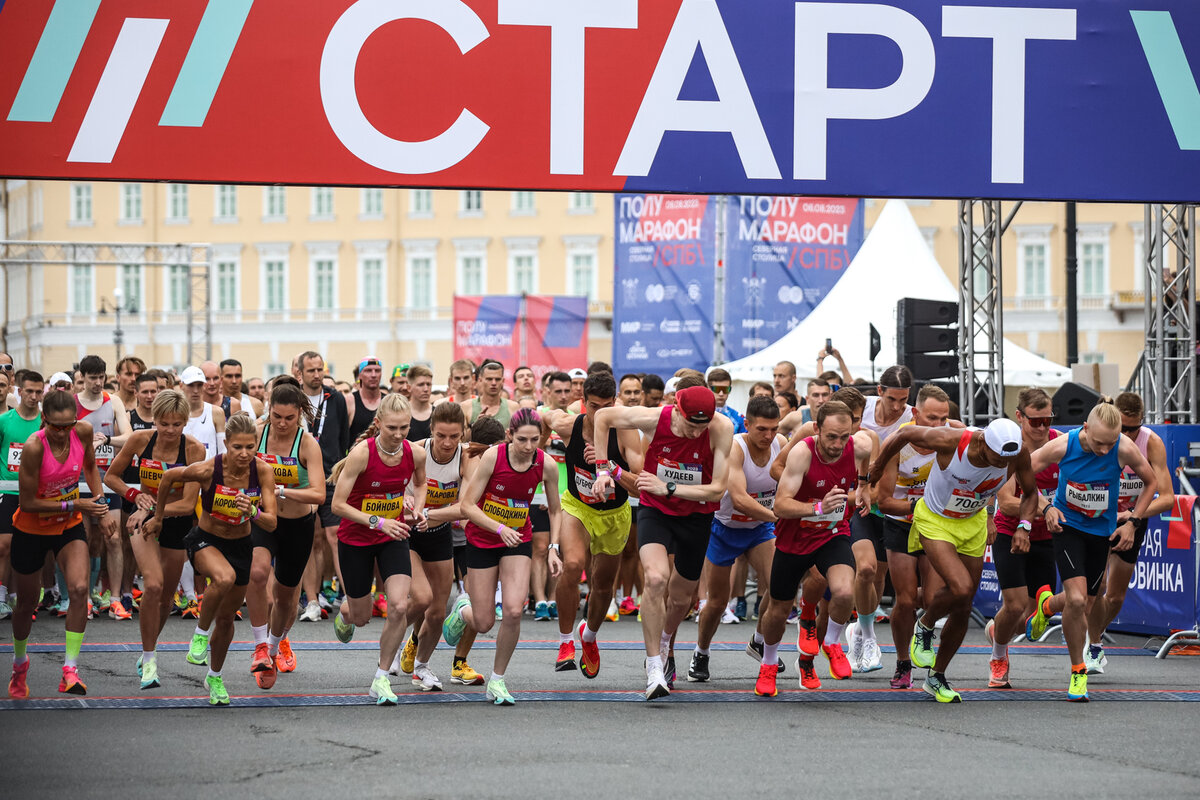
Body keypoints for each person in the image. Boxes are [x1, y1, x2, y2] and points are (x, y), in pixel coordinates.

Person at [869, 418, 1038, 703]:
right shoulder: (952, 440)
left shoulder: (1015, 453)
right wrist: (877, 465)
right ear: (983, 442)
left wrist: (1025, 525)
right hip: (935, 519)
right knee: (960, 586)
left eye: (1005, 460)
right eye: (996, 458)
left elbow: (1031, 493)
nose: (1001, 464)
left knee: (964, 604)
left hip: (972, 523)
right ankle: (924, 626)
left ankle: (936, 677)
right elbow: (905, 433)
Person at [592, 383, 734, 700]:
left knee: (682, 599)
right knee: (656, 579)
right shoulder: (655, 418)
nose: (697, 431)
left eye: (703, 424)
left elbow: (717, 490)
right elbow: (602, 417)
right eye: (690, 424)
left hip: (696, 516)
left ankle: (667, 639)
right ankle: (654, 665)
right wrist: (603, 469)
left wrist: (667, 486)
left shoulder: (721, 428)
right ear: (676, 409)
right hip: (656, 511)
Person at [1025, 400, 1156, 702]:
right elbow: (1024, 470)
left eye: (1110, 444)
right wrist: (1045, 507)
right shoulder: (1063, 445)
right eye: (1098, 443)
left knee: (1085, 604)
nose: (1104, 451)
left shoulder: (1123, 448)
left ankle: (1046, 607)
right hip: (1068, 528)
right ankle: (1078, 670)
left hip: (1101, 533)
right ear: (1085, 429)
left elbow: (1151, 483)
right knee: (1077, 598)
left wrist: (1133, 522)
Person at [149, 412, 277, 705]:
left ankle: (215, 677)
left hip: (241, 544)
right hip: (206, 540)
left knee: (227, 619)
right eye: (237, 447)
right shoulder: (210, 469)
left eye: (250, 447)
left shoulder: (263, 471)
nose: (244, 454)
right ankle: (199, 634)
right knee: (223, 577)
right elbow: (169, 477)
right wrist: (158, 518)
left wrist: (252, 512)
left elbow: (271, 523)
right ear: (226, 444)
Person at [442, 408, 563, 705]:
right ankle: (463, 610)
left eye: (535, 440)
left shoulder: (545, 464)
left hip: (517, 540)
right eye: (522, 439)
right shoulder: (492, 458)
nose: (529, 446)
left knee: (511, 610)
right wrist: (498, 527)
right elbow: (467, 505)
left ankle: (497, 679)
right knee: (483, 622)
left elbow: (556, 509)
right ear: (509, 436)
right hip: (483, 538)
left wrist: (553, 548)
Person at [755, 401, 873, 696]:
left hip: (833, 533)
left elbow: (865, 464)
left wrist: (863, 488)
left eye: (844, 437)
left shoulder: (859, 446)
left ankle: (831, 642)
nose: (837, 444)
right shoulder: (802, 453)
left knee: (846, 592)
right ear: (817, 429)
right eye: (831, 437)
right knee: (778, 610)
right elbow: (781, 505)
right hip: (795, 538)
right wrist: (818, 507)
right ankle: (768, 663)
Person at [8, 388, 116, 698]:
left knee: (81, 589)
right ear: (43, 421)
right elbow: (27, 502)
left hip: (67, 527)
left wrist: (101, 507)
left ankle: (70, 670)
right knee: (26, 603)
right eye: (55, 426)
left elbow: (91, 468)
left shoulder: (81, 432)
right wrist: (78, 506)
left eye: (67, 425)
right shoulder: (33, 447)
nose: (61, 432)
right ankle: (19, 663)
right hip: (31, 528)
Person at [104, 389, 207, 690]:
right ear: (156, 420)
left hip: (175, 521)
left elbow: (188, 504)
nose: (170, 430)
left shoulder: (194, 450)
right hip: (141, 515)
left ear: (185, 422)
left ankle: (148, 647)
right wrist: (137, 498)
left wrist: (156, 509)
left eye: (177, 424)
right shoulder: (140, 440)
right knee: (153, 584)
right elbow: (112, 477)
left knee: (165, 598)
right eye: (164, 423)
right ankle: (150, 659)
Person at [542, 372, 643, 677]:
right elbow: (543, 417)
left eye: (606, 406)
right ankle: (564, 642)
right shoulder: (569, 425)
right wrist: (540, 446)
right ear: (582, 402)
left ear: (615, 402)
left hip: (614, 514)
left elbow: (639, 487)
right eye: (594, 406)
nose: (600, 413)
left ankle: (589, 636)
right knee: (572, 565)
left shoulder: (625, 431)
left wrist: (612, 469)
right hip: (578, 507)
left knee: (602, 586)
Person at [328, 393, 426, 705]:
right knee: (360, 616)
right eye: (392, 428)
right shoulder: (361, 454)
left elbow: (421, 483)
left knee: (399, 606)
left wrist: (418, 509)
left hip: (393, 536)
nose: (399, 435)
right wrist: (377, 521)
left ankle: (381, 678)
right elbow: (337, 505)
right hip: (356, 538)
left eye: (405, 428)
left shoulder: (415, 453)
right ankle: (346, 611)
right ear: (378, 423)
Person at [689, 395, 786, 683]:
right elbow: (741, 500)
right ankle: (701, 651)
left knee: (780, 586)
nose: (768, 436)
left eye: (773, 429)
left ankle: (759, 640)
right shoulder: (735, 447)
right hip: (725, 529)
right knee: (718, 603)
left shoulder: (781, 445)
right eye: (761, 430)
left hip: (760, 530)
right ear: (747, 423)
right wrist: (779, 516)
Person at [1085, 391, 1174, 673]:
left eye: (1133, 428)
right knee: (1095, 587)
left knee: (1116, 597)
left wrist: (1133, 517)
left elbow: (1167, 497)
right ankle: (1094, 644)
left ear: (1142, 423)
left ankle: (1091, 637)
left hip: (1132, 518)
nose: (1127, 433)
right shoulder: (1102, 438)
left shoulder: (1151, 443)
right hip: (1099, 515)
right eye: (1122, 428)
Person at [245, 382, 326, 689]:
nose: (281, 423)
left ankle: (276, 644)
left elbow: (319, 494)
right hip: (265, 520)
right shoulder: (258, 432)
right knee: (257, 573)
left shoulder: (307, 445)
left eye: (288, 418)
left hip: (297, 525)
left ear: (300, 415)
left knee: (285, 597)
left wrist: (281, 490)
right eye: (276, 416)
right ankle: (261, 647)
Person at [872, 385, 951, 688]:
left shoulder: (951, 438)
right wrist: (919, 505)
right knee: (905, 600)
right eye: (931, 418)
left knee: (933, 599)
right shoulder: (898, 442)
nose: (937, 426)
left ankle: (924, 632)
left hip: (936, 526)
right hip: (901, 522)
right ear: (915, 414)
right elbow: (884, 502)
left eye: (943, 419)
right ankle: (903, 661)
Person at [986, 388, 1060, 688]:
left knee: (1025, 615)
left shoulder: (1059, 443)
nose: (1042, 428)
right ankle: (998, 657)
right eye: (1035, 422)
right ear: (1020, 416)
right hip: (1011, 532)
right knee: (1015, 606)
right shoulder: (1011, 446)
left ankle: (996, 629)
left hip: (1048, 536)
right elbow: (1005, 501)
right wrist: (1043, 506)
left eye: (1047, 420)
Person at [393, 401, 467, 688]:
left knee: (437, 611)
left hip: (438, 533)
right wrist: (403, 499)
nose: (447, 443)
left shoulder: (466, 458)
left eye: (455, 436)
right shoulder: (413, 451)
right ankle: (392, 643)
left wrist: (431, 513)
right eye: (441, 436)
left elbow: (465, 506)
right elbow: (388, 485)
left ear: (463, 433)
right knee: (421, 598)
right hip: (407, 532)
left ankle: (421, 667)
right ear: (431, 431)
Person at [846, 365, 915, 671]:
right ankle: (864, 633)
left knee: (878, 576)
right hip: (865, 496)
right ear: (879, 392)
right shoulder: (863, 414)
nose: (899, 406)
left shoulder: (914, 416)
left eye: (904, 400)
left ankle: (859, 631)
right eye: (893, 399)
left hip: (891, 502)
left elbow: (948, 426)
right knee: (865, 570)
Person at [75, 355, 134, 619]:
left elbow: (129, 436)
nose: (98, 383)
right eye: (92, 378)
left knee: (113, 539)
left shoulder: (114, 401)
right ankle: (86, 598)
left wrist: (107, 439)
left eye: (101, 377)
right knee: (86, 540)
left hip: (108, 480)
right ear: (83, 377)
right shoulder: (73, 403)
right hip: (80, 481)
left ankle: (115, 599)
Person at [296, 351, 351, 623]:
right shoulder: (293, 397)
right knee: (310, 539)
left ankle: (350, 595)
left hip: (330, 476)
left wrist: (339, 470)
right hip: (302, 478)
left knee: (335, 535)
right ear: (300, 373)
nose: (316, 374)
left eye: (320, 369)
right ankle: (312, 601)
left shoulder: (335, 398)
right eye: (311, 370)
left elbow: (343, 437)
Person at [0, 372, 44, 623]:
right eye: (29, 391)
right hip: (8, 491)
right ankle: (2, 596)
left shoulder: (45, 423)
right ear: (19, 391)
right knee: (4, 545)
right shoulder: (5, 421)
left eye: (39, 392)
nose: (34, 396)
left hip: (37, 494)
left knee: (31, 547)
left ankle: (27, 599)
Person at [462, 360, 517, 429]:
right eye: (489, 379)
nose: (494, 383)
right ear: (480, 380)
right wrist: (476, 425)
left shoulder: (513, 407)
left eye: (497, 379)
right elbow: (461, 438)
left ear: (503, 381)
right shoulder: (466, 407)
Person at [347, 357, 385, 444]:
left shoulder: (388, 401)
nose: (373, 375)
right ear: (359, 375)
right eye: (368, 371)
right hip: (355, 455)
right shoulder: (349, 400)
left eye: (377, 371)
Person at [707, 368, 746, 434]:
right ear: (708, 388)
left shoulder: (738, 418)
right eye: (717, 389)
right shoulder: (700, 415)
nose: (721, 394)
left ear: (730, 389)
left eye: (725, 389)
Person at [406, 366, 435, 442]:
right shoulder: (401, 412)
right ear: (409, 388)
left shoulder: (438, 413)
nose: (426, 389)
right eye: (421, 385)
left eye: (428, 384)